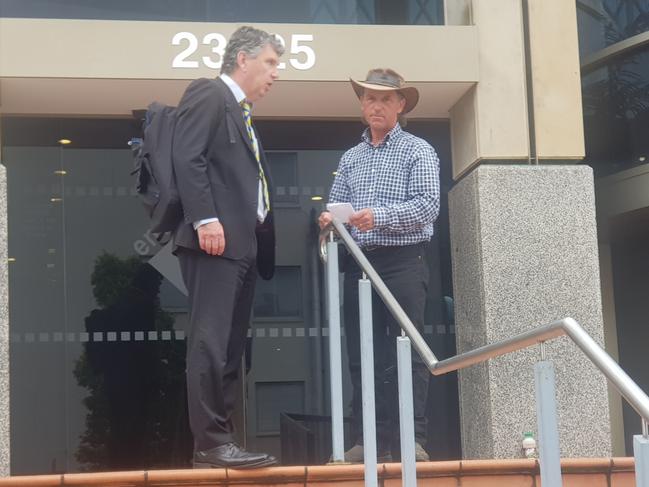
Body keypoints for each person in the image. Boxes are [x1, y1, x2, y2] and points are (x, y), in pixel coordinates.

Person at [172, 26, 283, 469]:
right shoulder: (209, 93)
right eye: (271, 63)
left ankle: (224, 442)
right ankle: (210, 444)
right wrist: (205, 217)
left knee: (232, 348)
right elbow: (188, 156)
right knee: (210, 343)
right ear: (243, 59)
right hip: (215, 243)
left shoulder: (243, 111)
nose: (276, 74)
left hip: (243, 247)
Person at [319, 68, 440, 463]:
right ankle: (366, 439)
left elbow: (428, 206)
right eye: (370, 98)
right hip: (359, 265)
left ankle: (413, 438)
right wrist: (328, 221)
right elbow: (337, 204)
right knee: (361, 352)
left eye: (385, 99)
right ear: (361, 104)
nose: (376, 105)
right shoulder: (350, 157)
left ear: (401, 105)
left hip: (404, 261)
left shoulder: (419, 149)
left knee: (408, 348)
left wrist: (380, 217)